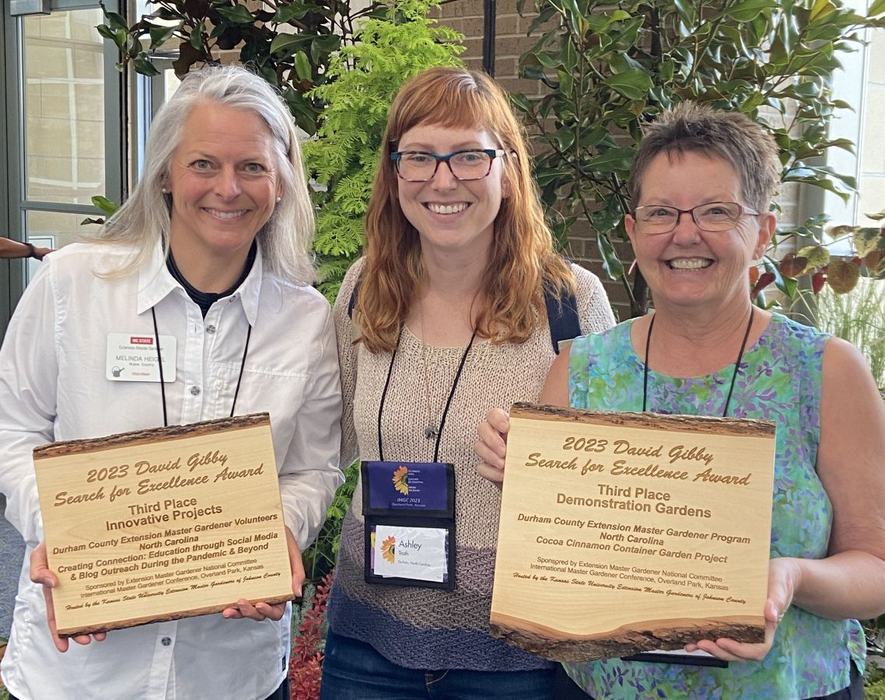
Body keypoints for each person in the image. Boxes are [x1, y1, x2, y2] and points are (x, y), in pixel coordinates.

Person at [475, 102, 885, 699]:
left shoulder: (825, 372)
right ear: (633, 231)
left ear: (763, 230)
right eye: (662, 212)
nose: (685, 234)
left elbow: (875, 568)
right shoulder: (583, 369)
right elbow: (559, 553)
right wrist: (521, 479)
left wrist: (789, 577)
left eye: (716, 211)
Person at [0, 65, 342, 700]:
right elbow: (13, 427)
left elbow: (314, 469)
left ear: (282, 182)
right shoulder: (73, 285)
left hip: (231, 673)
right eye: (204, 164)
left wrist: (280, 536)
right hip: (80, 675)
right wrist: (61, 531)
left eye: (254, 167)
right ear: (163, 173)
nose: (228, 189)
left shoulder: (307, 321)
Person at [319, 66, 616, 699]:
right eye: (419, 157)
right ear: (394, 171)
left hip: (520, 658)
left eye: (469, 157)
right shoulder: (363, 289)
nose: (443, 180)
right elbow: (328, 444)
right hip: (368, 646)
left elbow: (611, 485)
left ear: (508, 169)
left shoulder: (569, 302)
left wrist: (551, 463)